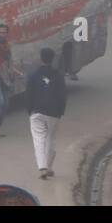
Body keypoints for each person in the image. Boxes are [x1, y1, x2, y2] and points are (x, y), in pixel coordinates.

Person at [26, 47, 66, 178]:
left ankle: (42, 167)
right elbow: (62, 95)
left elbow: (29, 95)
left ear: (40, 58)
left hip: (36, 111)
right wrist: (60, 111)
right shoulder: (58, 76)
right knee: (51, 139)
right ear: (53, 59)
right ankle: (49, 167)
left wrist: (30, 111)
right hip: (54, 113)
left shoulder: (33, 75)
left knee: (39, 140)